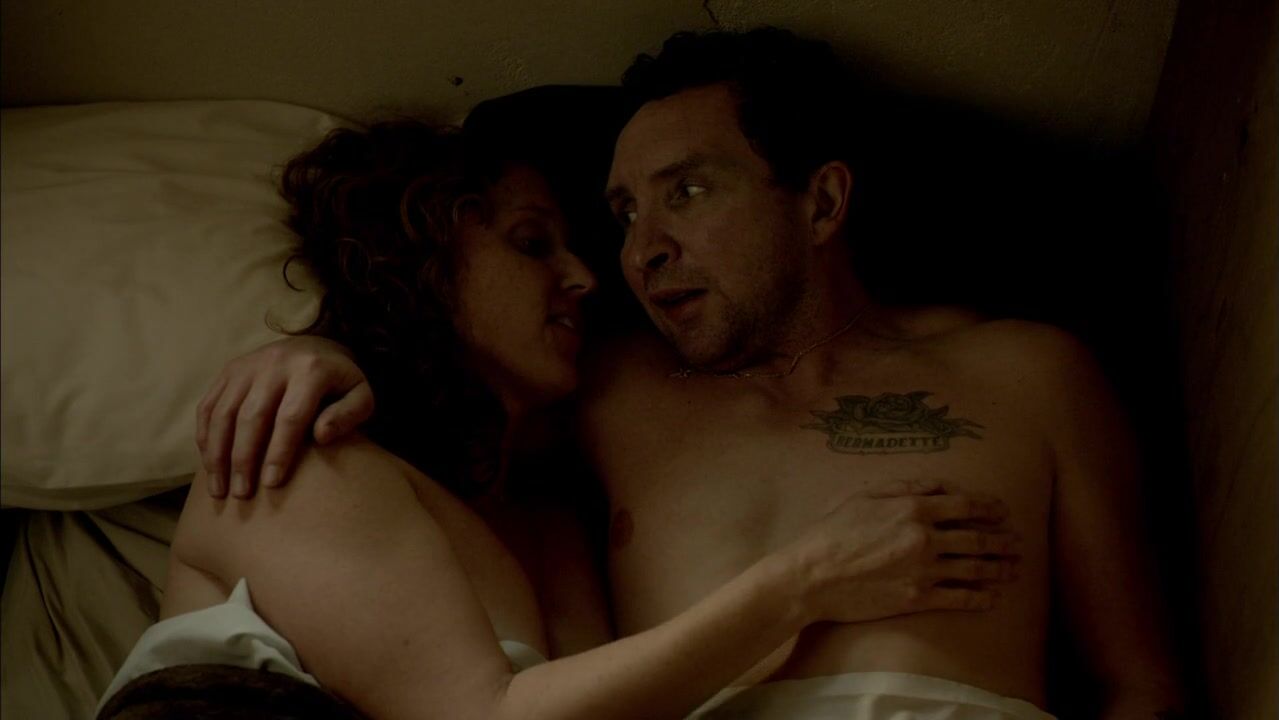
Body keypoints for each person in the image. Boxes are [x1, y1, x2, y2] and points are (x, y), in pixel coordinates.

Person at [199, 29, 1185, 719]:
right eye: (625, 213)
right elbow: (447, 387)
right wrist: (320, 349)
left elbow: (1138, 685)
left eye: (689, 192)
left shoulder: (1028, 373)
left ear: (821, 202)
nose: (640, 252)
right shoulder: (606, 388)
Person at [101, 120, 1022, 720]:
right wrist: (805, 582)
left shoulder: (548, 525)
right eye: (530, 243)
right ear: (421, 265)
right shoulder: (300, 452)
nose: (583, 277)